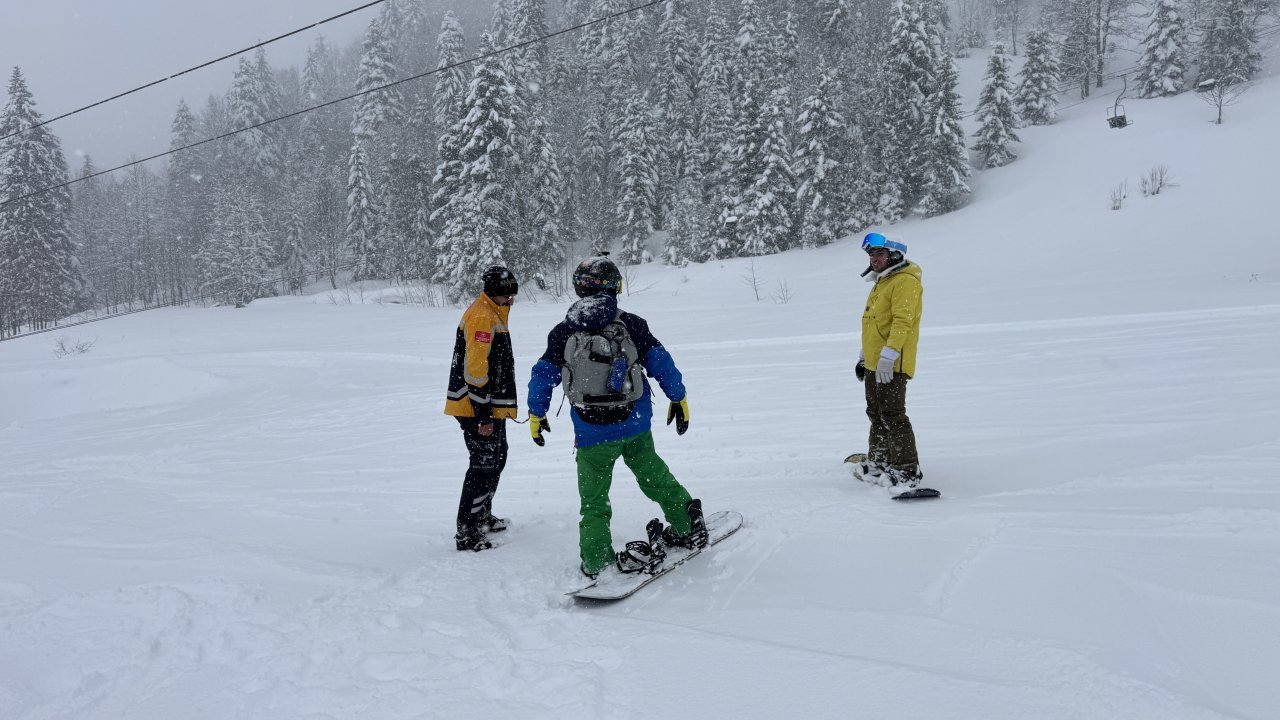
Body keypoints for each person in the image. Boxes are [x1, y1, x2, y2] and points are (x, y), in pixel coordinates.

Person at [526, 255, 707, 578]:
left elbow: (543, 375)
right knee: (655, 477)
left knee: (594, 501)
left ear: (579, 289)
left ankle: (596, 560)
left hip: (591, 433)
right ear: (615, 287)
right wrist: (678, 398)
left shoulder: (563, 331)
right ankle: (684, 525)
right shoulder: (633, 324)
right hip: (635, 425)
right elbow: (660, 362)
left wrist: (536, 414)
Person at [445, 265, 519, 551]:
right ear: (495, 291)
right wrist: (483, 414)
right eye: (508, 293)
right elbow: (475, 371)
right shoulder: (481, 315)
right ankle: (467, 530)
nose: (512, 299)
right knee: (483, 465)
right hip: (475, 407)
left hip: (487, 406)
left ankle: (482, 515)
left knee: (497, 458)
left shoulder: (494, 312)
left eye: (513, 292)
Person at [853, 232, 924, 488]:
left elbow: (902, 322)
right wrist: (864, 356)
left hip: (892, 363)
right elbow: (874, 324)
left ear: (894, 255)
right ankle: (880, 461)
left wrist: (890, 354)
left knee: (893, 415)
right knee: (876, 413)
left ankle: (906, 469)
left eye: (879, 253)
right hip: (875, 362)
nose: (874, 259)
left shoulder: (905, 281)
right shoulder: (881, 282)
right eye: (872, 254)